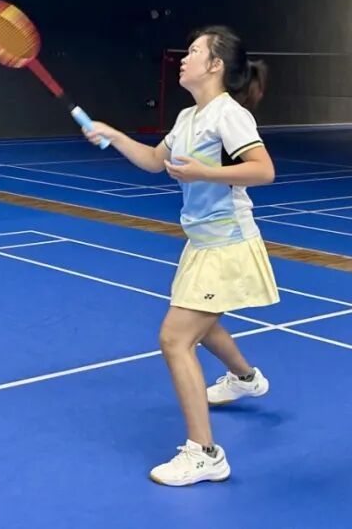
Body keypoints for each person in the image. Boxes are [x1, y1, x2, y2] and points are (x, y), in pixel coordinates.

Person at [83, 25, 279, 486]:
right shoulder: (190, 117)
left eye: (193, 52)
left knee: (175, 338)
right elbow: (156, 161)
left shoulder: (228, 115)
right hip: (201, 242)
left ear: (215, 65)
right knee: (202, 324)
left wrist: (205, 172)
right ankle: (245, 378)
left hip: (228, 242)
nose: (183, 59)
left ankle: (205, 454)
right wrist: (114, 135)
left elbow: (264, 170)